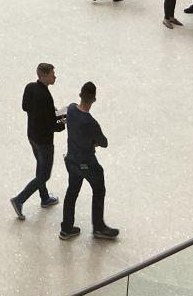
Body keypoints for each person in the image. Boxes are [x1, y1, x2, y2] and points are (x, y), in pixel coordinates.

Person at [59, 82, 118, 240]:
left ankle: (66, 228)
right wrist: (94, 141)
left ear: (80, 95)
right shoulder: (91, 123)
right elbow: (104, 142)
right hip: (87, 163)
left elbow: (60, 117)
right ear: (94, 99)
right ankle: (98, 227)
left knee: (72, 192)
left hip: (71, 160)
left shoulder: (71, 108)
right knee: (98, 190)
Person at [10, 62, 65, 218]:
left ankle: (45, 197)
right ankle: (19, 199)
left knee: (40, 166)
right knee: (44, 174)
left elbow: (25, 106)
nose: (55, 77)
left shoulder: (30, 87)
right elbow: (53, 125)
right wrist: (63, 120)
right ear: (44, 76)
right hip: (44, 141)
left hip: (32, 136)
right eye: (52, 74)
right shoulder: (45, 97)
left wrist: (48, 113)